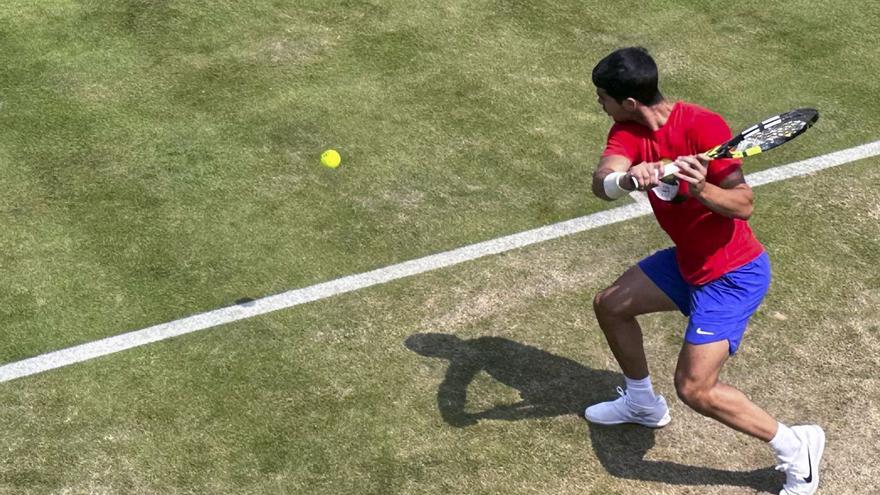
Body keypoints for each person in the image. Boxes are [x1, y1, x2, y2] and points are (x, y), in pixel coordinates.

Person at [584, 46, 824, 495]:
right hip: (688, 262)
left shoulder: (703, 126)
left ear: (629, 101)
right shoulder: (627, 131)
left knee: (695, 389)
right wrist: (630, 178)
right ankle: (641, 404)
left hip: (732, 274)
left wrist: (698, 188)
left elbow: (743, 205)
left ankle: (797, 447)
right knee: (611, 304)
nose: (600, 103)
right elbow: (602, 183)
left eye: (603, 96)